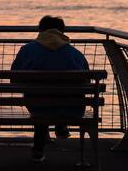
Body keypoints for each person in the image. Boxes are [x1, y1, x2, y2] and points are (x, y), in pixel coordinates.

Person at [11, 16, 89, 163]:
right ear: (62, 32)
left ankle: (38, 149)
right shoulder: (76, 54)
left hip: (37, 106)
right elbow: (86, 81)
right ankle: (61, 125)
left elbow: (14, 79)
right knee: (60, 99)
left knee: (42, 102)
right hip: (72, 109)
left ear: (40, 31)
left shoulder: (28, 50)